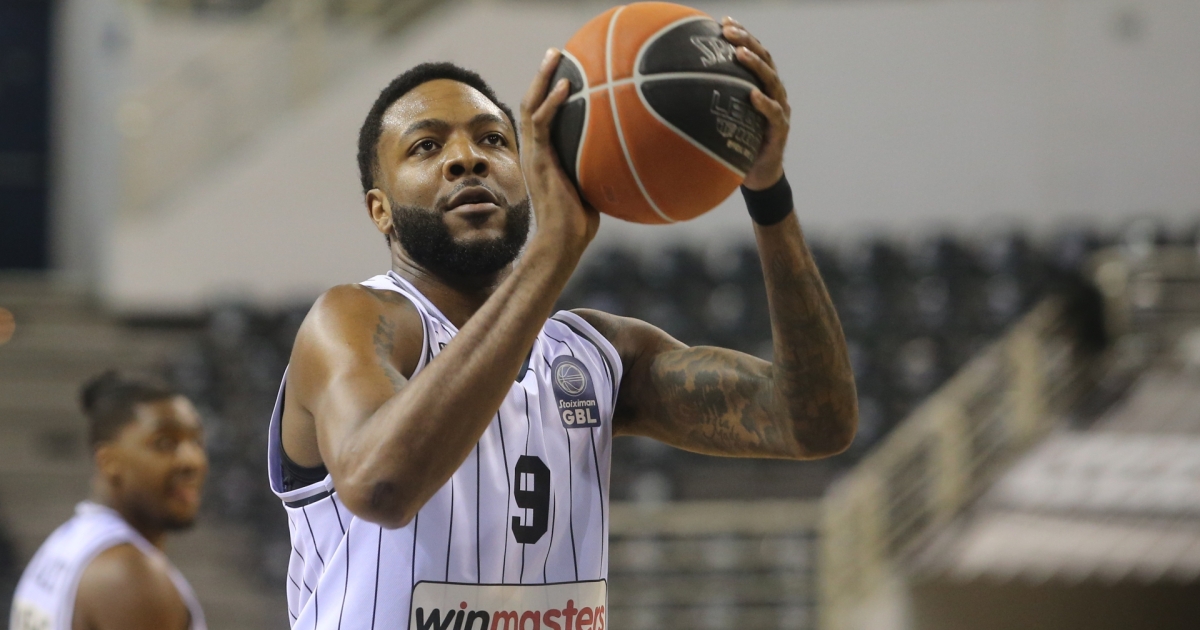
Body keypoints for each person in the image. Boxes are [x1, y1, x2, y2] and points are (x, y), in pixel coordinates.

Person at [269, 17, 856, 629]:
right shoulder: (352, 320)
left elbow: (814, 422)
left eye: (494, 140)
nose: (467, 159)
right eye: (427, 147)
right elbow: (381, 486)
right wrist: (555, 250)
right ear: (380, 209)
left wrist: (767, 191)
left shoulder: (601, 355)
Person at [10, 371, 207, 630]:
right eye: (164, 443)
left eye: (196, 441)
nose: (192, 460)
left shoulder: (64, 545)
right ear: (108, 461)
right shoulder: (129, 577)